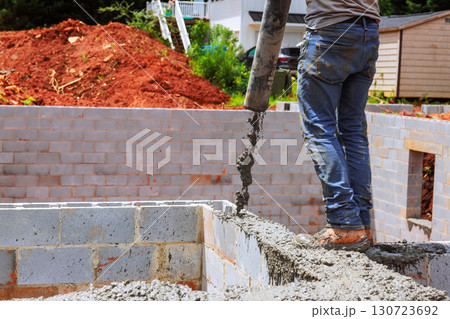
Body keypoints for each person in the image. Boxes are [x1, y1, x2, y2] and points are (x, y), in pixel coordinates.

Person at [294, 0, 381, 252]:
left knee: (319, 129)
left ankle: (344, 223)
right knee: (353, 130)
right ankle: (362, 226)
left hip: (331, 30)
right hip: (369, 32)